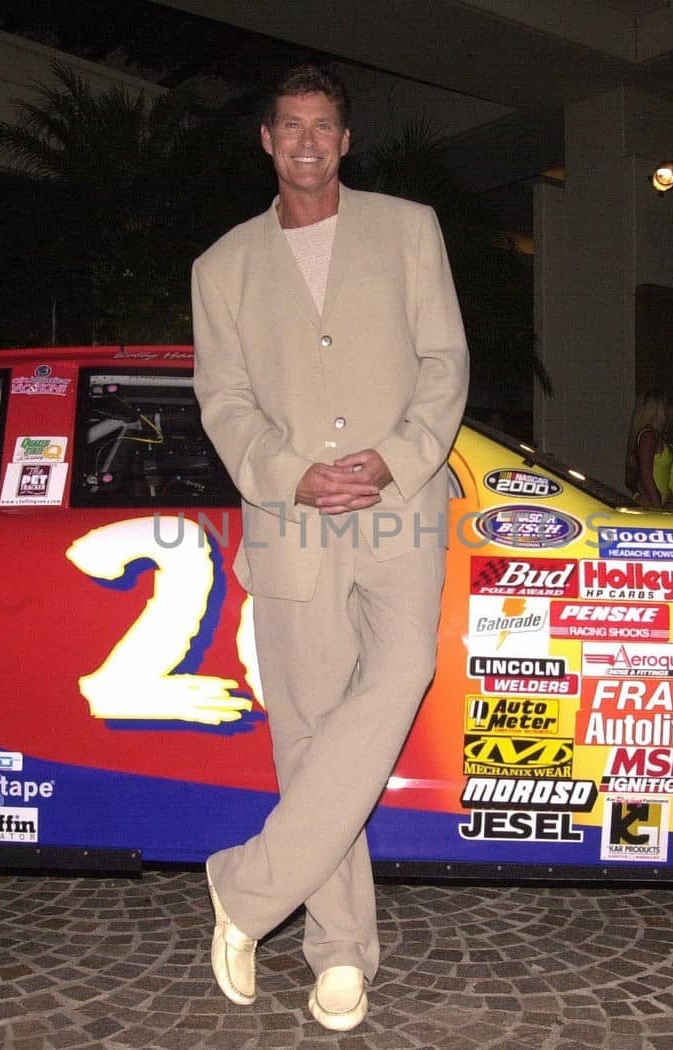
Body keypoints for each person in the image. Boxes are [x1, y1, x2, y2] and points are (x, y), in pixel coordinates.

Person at [190, 65, 469, 1031]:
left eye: (325, 127)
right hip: (290, 518)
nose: (308, 141)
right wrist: (289, 473)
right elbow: (222, 402)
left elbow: (445, 362)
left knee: (396, 680)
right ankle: (341, 952)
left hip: (401, 509)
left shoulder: (409, 229)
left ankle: (246, 888)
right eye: (290, 127)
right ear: (266, 141)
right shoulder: (221, 266)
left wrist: (394, 459)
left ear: (346, 142)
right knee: (308, 737)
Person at [626, 392, 670, 507]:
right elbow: (646, 475)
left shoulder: (654, 435)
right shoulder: (648, 436)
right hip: (650, 500)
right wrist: (658, 507)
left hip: (655, 499)